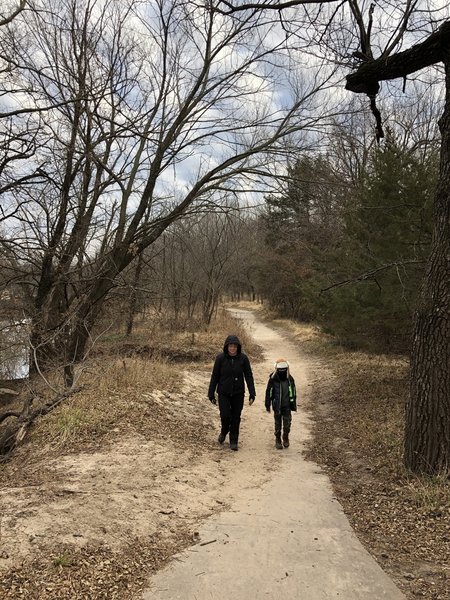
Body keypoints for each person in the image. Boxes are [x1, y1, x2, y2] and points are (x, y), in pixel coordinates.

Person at [208, 334, 256, 451]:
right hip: (223, 392)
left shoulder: (243, 359)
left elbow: (248, 376)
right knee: (225, 415)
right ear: (226, 347)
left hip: (238, 393)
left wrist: (252, 393)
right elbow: (215, 376)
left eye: (235, 346)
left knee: (236, 417)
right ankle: (224, 431)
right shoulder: (220, 358)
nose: (232, 348)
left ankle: (233, 440)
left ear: (238, 347)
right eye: (230, 346)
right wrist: (211, 393)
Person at [265, 358, 297, 449]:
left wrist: (293, 404)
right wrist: (268, 404)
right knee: (277, 424)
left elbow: (294, 392)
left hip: (287, 406)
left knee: (287, 424)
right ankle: (278, 439)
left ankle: (285, 437)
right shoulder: (273, 379)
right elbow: (268, 392)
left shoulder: (290, 379)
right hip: (277, 406)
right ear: (276, 369)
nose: (282, 371)